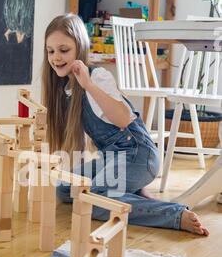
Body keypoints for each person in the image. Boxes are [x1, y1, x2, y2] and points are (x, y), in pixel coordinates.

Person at [41, 13, 209, 236]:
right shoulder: (65, 89)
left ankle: (175, 215)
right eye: (50, 51)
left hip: (138, 154)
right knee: (64, 188)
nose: (56, 58)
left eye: (64, 50)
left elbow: (122, 119)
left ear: (80, 48)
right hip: (112, 158)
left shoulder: (97, 77)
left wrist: (88, 84)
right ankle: (135, 192)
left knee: (96, 198)